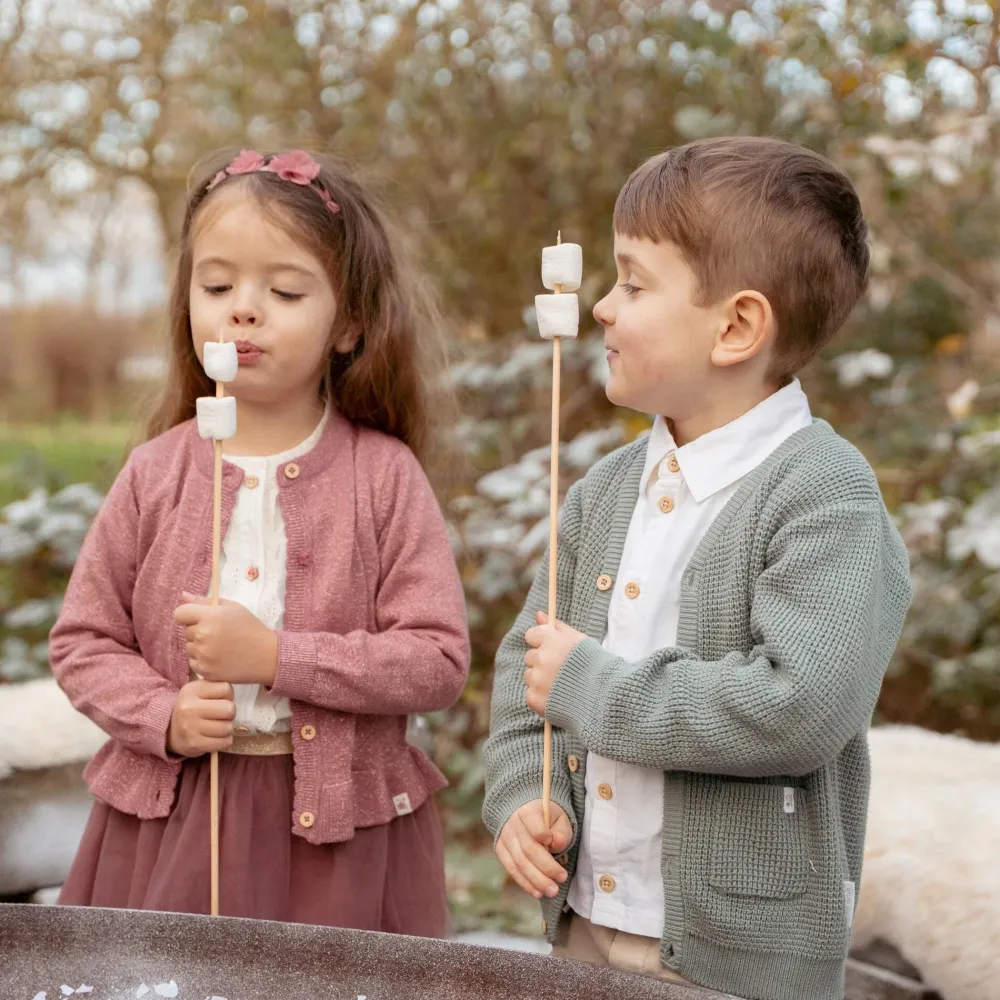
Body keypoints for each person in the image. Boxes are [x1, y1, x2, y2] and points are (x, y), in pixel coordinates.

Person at [482, 136, 912, 1000]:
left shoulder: (826, 496)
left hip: (738, 960)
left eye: (634, 284)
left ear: (737, 327)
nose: (603, 308)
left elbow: (799, 706)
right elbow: (531, 666)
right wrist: (519, 799)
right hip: (588, 924)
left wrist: (594, 690)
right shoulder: (604, 491)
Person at [51, 148, 470, 935]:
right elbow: (84, 639)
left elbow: (436, 659)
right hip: (174, 821)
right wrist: (162, 712)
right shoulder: (156, 472)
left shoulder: (383, 475)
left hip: (335, 834)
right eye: (216, 286)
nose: (243, 309)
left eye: (283, 290)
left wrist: (277, 658)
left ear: (348, 323)